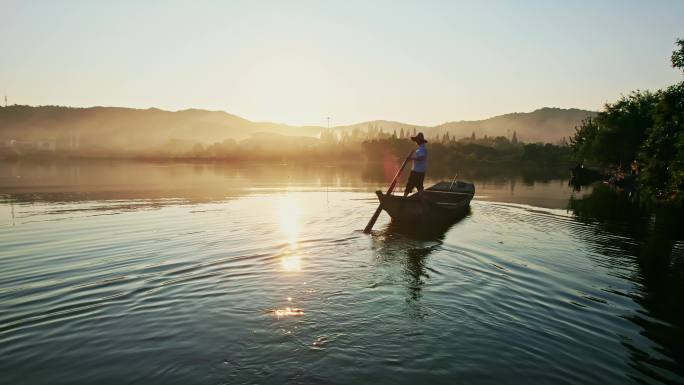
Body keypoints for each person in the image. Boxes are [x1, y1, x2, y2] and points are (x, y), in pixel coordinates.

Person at [404, 132, 428, 197]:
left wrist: (411, 158)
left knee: (409, 186)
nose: (416, 141)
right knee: (419, 187)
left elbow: (421, 157)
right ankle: (423, 201)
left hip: (416, 172)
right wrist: (411, 159)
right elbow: (419, 158)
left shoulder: (421, 148)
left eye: (417, 140)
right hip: (420, 171)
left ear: (420, 141)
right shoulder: (421, 148)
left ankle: (403, 199)